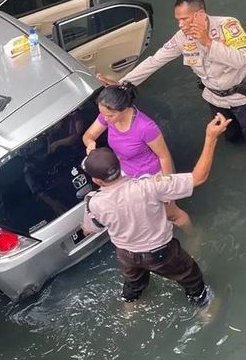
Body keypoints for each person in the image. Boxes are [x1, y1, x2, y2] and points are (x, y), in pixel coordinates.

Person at [98, 0, 246, 159]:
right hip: (214, 98)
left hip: (243, 96)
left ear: (200, 14)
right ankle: (238, 153)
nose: (180, 25)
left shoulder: (228, 26)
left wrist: (208, 42)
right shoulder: (182, 38)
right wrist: (123, 83)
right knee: (229, 134)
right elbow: (155, 60)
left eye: (184, 19)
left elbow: (241, 60)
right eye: (178, 20)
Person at [81, 113, 231, 304]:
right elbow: (198, 177)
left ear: (96, 180)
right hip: (161, 253)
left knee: (133, 284)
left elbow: (90, 229)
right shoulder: (150, 186)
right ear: (119, 164)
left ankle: (130, 309)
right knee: (191, 277)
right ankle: (204, 308)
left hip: (126, 255)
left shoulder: (92, 201)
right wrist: (210, 138)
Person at [82, 83, 192, 231]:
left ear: (124, 109)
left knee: (172, 214)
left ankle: (193, 236)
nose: (106, 119)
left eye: (110, 116)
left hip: (150, 175)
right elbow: (89, 135)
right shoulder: (107, 116)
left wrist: (167, 188)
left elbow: (164, 157)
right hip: (126, 175)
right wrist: (90, 143)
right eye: (103, 115)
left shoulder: (145, 127)